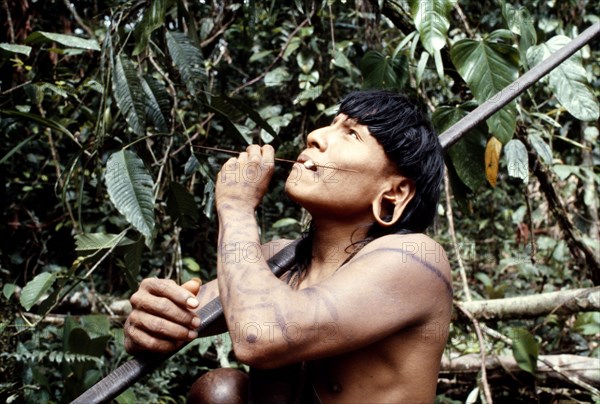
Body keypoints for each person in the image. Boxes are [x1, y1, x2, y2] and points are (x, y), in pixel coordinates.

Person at [124, 90, 452, 403]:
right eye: (332, 123)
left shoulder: (413, 260)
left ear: (393, 194)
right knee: (221, 391)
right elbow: (184, 315)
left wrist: (236, 207)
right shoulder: (279, 261)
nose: (316, 136)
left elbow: (259, 335)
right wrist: (149, 321)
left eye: (352, 134)